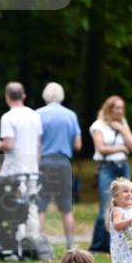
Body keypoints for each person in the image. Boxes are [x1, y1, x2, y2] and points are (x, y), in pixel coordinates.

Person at [0, 82, 42, 239]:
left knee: (13, 202)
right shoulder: (35, 115)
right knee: (31, 204)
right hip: (32, 167)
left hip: (14, 169)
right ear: (24, 96)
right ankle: (33, 236)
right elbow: (39, 144)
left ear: (7, 97)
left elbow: (8, 144)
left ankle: (17, 238)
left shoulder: (7, 117)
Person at [36, 82, 82, 250]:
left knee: (40, 206)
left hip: (43, 162)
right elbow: (78, 144)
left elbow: (36, 142)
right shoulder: (71, 115)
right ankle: (70, 244)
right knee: (66, 207)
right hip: (63, 163)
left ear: (45, 96)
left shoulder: (38, 114)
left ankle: (39, 243)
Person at [88, 95, 132, 252]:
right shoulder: (98, 126)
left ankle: (118, 243)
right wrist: (120, 148)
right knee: (106, 206)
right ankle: (98, 245)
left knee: (125, 204)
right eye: (117, 107)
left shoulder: (123, 124)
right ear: (109, 108)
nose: (120, 111)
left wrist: (122, 129)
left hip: (123, 166)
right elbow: (101, 148)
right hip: (106, 168)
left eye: (122, 108)